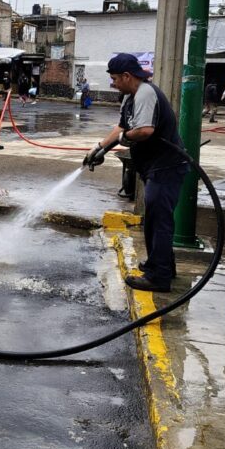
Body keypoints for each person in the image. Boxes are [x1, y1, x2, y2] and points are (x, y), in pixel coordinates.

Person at [83, 53, 187, 292]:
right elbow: (122, 126)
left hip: (167, 167)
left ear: (127, 76)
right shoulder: (130, 97)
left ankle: (159, 278)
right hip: (155, 168)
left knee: (158, 222)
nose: (113, 83)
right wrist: (99, 148)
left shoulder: (146, 94)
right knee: (154, 219)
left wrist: (123, 138)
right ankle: (161, 266)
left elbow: (144, 131)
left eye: (115, 79)